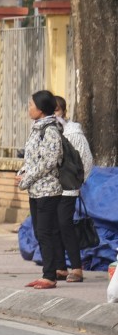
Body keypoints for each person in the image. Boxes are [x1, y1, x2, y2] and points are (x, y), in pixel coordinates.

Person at [16, 90, 64, 290]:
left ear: (41, 109)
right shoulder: (37, 128)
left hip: (48, 190)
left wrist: (27, 178)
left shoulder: (51, 130)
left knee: (45, 232)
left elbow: (49, 162)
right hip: (36, 190)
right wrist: (22, 172)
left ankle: (50, 275)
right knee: (41, 231)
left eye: (31, 105)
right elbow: (32, 158)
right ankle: (50, 272)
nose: (29, 109)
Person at [53, 95, 93, 283]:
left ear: (63, 111)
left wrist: (77, 180)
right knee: (53, 226)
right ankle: (60, 267)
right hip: (51, 189)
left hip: (68, 189)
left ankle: (77, 268)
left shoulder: (73, 134)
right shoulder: (48, 132)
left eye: (57, 110)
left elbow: (86, 160)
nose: (54, 115)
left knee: (65, 224)